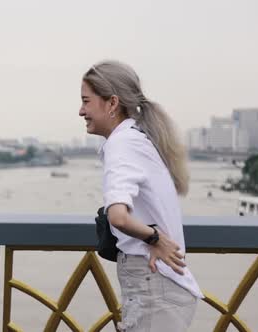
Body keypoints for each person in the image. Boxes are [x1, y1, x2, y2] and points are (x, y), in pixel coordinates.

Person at [79, 61, 202, 331]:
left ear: (112, 103)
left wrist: (154, 237)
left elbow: (118, 216)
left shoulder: (122, 144)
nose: (81, 111)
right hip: (157, 286)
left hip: (153, 286)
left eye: (86, 101)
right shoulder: (136, 138)